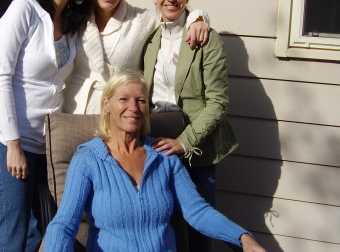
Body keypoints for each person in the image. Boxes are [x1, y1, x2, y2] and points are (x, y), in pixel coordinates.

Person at [42, 70, 266, 252]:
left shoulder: (163, 155)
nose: (134, 108)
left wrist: (243, 238)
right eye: (124, 99)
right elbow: (64, 224)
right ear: (107, 104)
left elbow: (197, 211)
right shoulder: (89, 159)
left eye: (141, 101)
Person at [0, 0, 92, 252]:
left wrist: (196, 16)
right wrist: (13, 144)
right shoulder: (24, 10)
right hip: (14, 140)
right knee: (15, 231)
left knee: (39, 231)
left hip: (47, 144)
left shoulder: (73, 22)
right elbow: (1, 79)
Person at [143, 0, 239, 252]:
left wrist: (184, 143)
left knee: (199, 227)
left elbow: (218, 102)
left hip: (195, 148)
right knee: (161, 223)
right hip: (156, 144)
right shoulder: (149, 37)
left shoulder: (206, 39)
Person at [64, 0, 210, 114]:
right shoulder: (75, 19)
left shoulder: (142, 20)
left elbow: (173, 14)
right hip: (75, 110)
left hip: (120, 115)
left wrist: (197, 18)